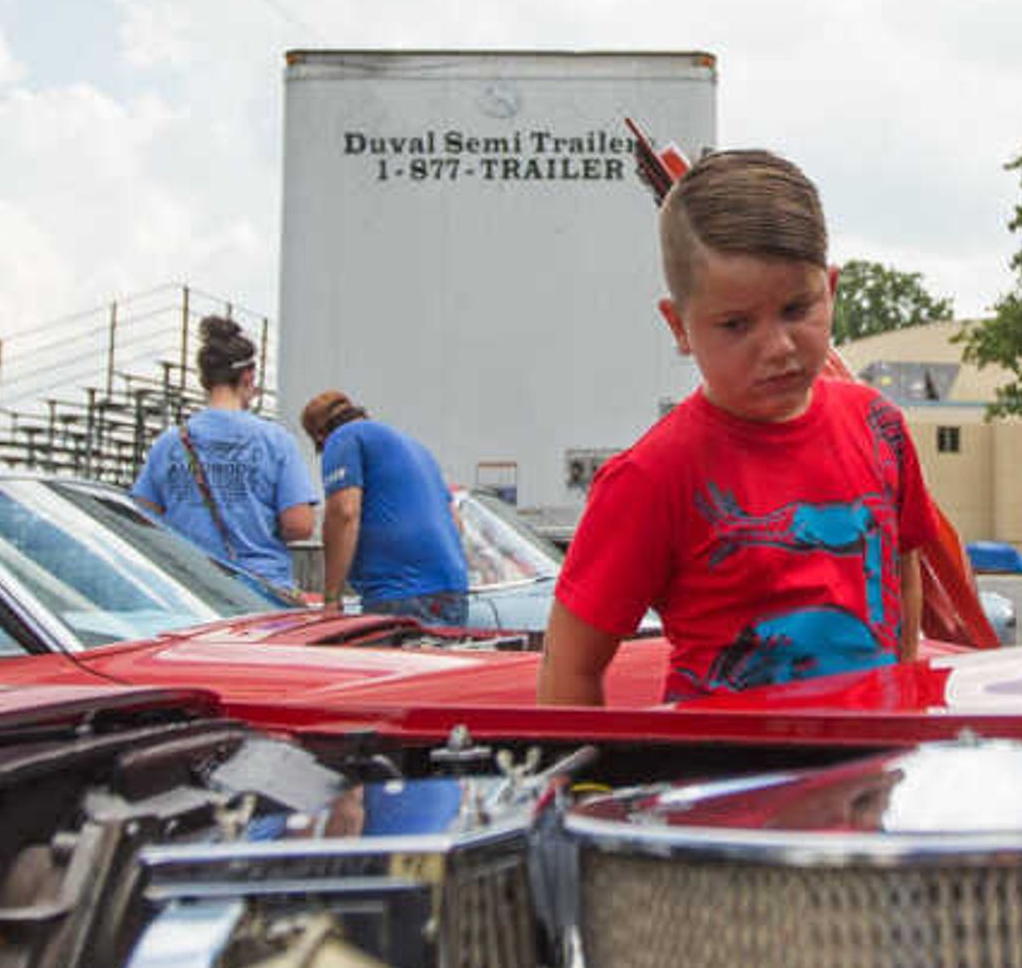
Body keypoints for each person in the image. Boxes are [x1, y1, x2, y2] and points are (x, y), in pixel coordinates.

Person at [538, 148, 933, 706]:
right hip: (727, 782)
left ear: (833, 290)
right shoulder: (651, 476)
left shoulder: (880, 427)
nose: (777, 347)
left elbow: (902, 572)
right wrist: (578, 788)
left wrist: (902, 701)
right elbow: (570, 666)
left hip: (870, 776)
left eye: (798, 309)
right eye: (735, 324)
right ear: (678, 325)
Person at [134, 314, 318, 597]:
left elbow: (144, 517)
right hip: (260, 590)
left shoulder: (169, 443)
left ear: (205, 380)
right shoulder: (276, 440)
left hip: (189, 592)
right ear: (247, 377)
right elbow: (300, 525)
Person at [297, 389, 473, 626]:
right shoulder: (417, 449)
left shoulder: (342, 438)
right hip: (452, 591)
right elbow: (456, 524)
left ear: (319, 436)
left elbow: (344, 513)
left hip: (400, 593)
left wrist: (331, 598)